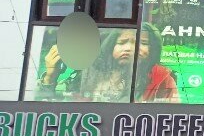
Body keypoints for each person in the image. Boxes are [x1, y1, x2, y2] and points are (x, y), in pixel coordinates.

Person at [38, 24, 179, 102]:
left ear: (153, 49)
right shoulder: (88, 74)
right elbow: (54, 110)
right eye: (122, 42)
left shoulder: (162, 80)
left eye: (143, 43)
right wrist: (50, 78)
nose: (130, 48)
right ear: (110, 47)